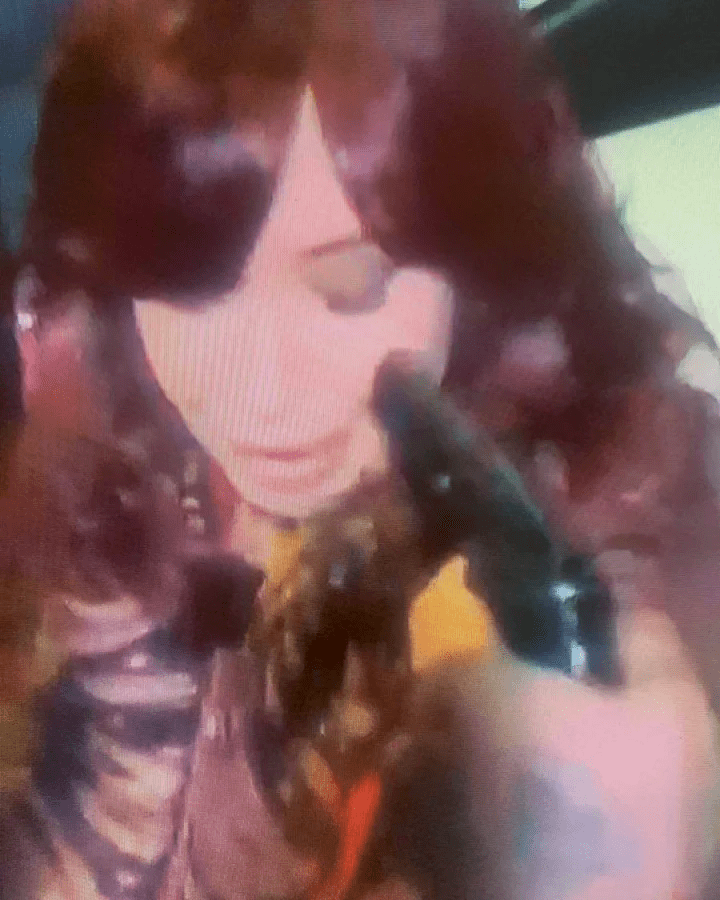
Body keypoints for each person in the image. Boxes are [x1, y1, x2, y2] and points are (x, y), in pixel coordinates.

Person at [1, 0, 719, 898]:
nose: (257, 401)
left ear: (479, 251)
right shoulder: (119, 403)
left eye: (349, 288)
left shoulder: (635, 540)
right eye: (186, 290)